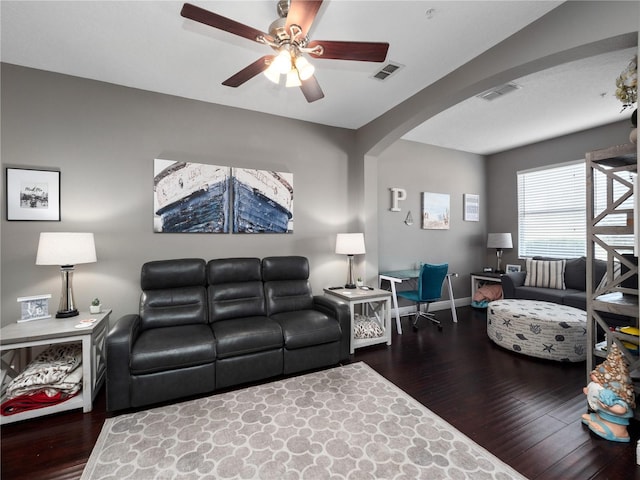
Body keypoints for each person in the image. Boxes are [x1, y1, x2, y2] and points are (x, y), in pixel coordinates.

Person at [582, 343, 635, 443]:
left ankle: (618, 432)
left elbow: (622, 409)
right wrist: (588, 391)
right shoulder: (603, 390)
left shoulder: (616, 394)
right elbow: (594, 391)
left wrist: (610, 408)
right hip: (603, 412)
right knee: (597, 414)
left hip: (615, 419)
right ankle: (600, 419)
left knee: (612, 422)